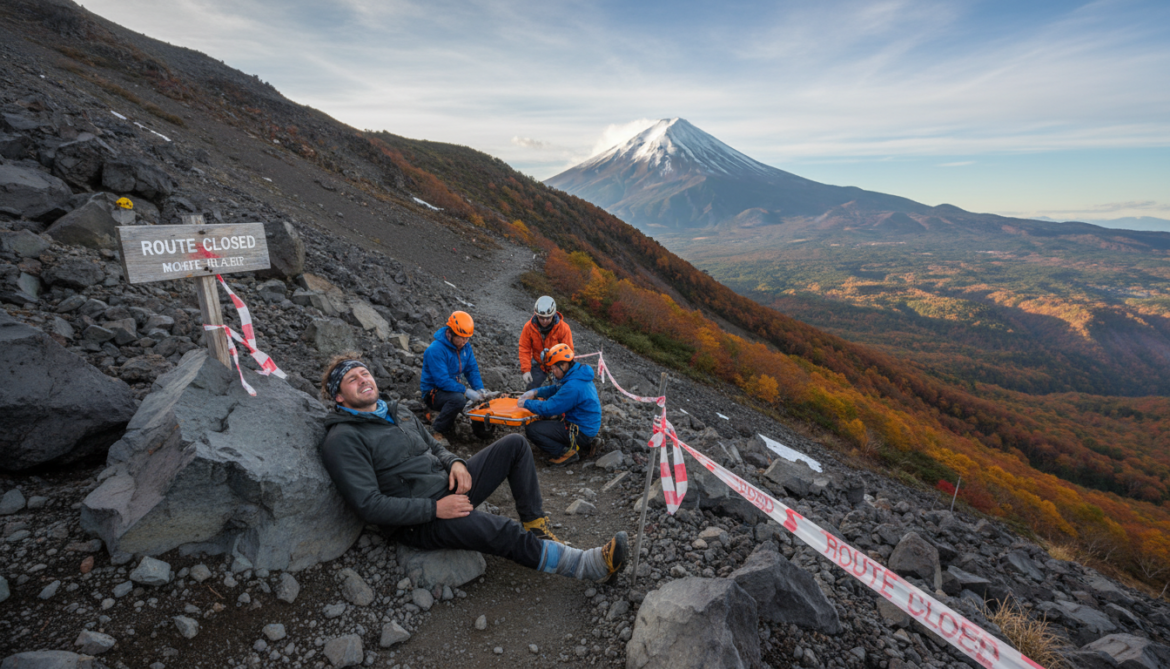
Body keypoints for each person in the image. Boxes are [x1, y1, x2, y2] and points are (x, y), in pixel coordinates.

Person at [318, 354, 629, 584]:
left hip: (446, 488)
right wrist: (435, 508)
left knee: (514, 446)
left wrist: (454, 462)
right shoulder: (343, 439)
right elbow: (369, 505)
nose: (363, 380)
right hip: (417, 521)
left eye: (364, 373)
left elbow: (435, 446)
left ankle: (536, 527)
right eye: (352, 380)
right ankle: (586, 567)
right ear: (339, 396)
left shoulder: (398, 413)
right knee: (502, 529)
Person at [518, 344, 601, 466]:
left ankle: (565, 453)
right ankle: (579, 445)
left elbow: (549, 408)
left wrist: (526, 403)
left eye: (555, 368)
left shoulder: (573, 386)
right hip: (586, 427)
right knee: (546, 418)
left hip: (581, 432)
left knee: (532, 429)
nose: (553, 372)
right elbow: (557, 389)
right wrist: (536, 392)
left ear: (564, 365)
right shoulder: (577, 374)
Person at [421, 311, 491, 440]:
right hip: (433, 393)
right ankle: (437, 430)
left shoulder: (465, 347)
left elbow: (472, 370)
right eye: (461, 337)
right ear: (451, 332)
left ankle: (482, 433)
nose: (464, 341)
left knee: (482, 400)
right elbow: (442, 381)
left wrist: (480, 390)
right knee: (458, 399)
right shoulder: (435, 350)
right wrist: (465, 390)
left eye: (467, 338)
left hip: (453, 387)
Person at [519, 296, 573, 392]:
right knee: (531, 390)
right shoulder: (529, 327)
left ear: (553, 315)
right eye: (541, 318)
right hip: (538, 364)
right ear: (536, 315)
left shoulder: (563, 328)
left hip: (557, 365)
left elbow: (568, 352)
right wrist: (526, 370)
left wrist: (563, 370)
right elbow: (524, 348)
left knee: (561, 391)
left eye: (548, 318)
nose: (544, 321)